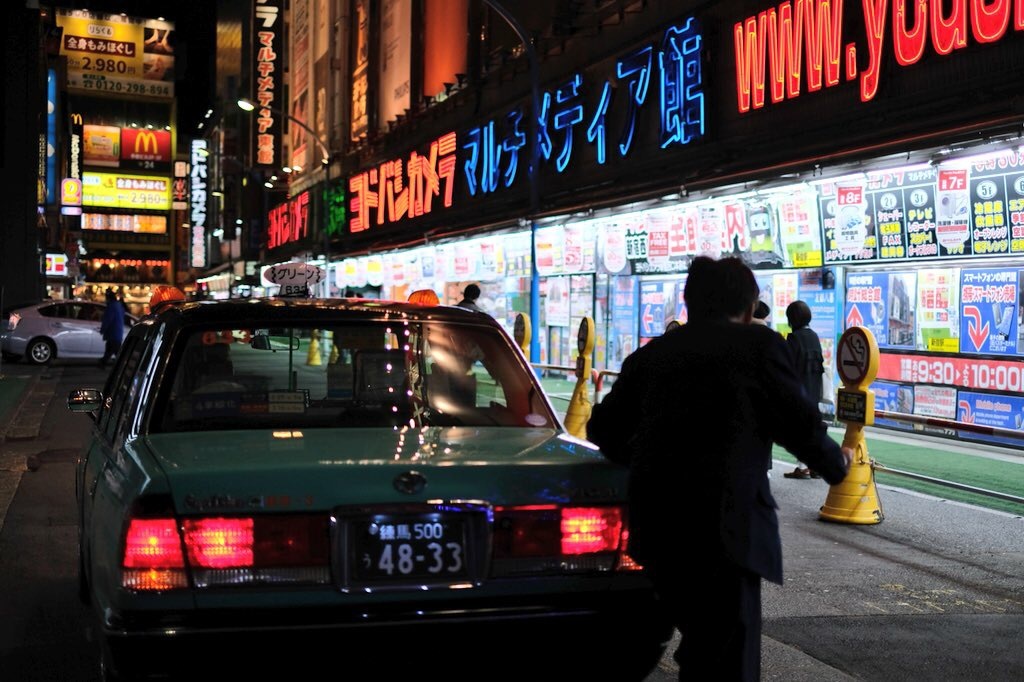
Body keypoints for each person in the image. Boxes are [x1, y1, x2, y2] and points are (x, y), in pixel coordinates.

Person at [586, 256, 851, 681]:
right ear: (748, 309)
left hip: (658, 530)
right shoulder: (759, 347)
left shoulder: (653, 355)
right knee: (727, 660)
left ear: (689, 302)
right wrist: (837, 464)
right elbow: (798, 425)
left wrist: (648, 461)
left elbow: (603, 428)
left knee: (694, 644)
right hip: (726, 532)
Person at [783, 300, 826, 480]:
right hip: (814, 388)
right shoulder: (814, 336)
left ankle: (803, 468)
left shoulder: (794, 338)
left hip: (799, 388)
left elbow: (788, 365)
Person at [99, 289, 127, 368]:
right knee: (112, 350)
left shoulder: (111, 306)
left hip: (112, 333)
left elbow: (107, 319)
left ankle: (119, 367)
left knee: (113, 350)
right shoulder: (119, 306)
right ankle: (103, 363)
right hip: (117, 333)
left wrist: (103, 329)